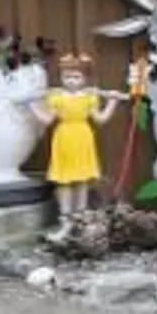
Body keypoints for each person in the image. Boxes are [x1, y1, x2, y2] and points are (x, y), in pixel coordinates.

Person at [42, 53, 119, 220]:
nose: (71, 81)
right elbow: (47, 120)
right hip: (64, 138)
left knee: (82, 179)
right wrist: (31, 107)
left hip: (83, 138)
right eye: (67, 77)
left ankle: (80, 215)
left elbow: (101, 119)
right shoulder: (57, 97)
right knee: (64, 180)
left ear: (84, 79)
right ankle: (65, 216)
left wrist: (112, 102)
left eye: (76, 77)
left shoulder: (89, 97)